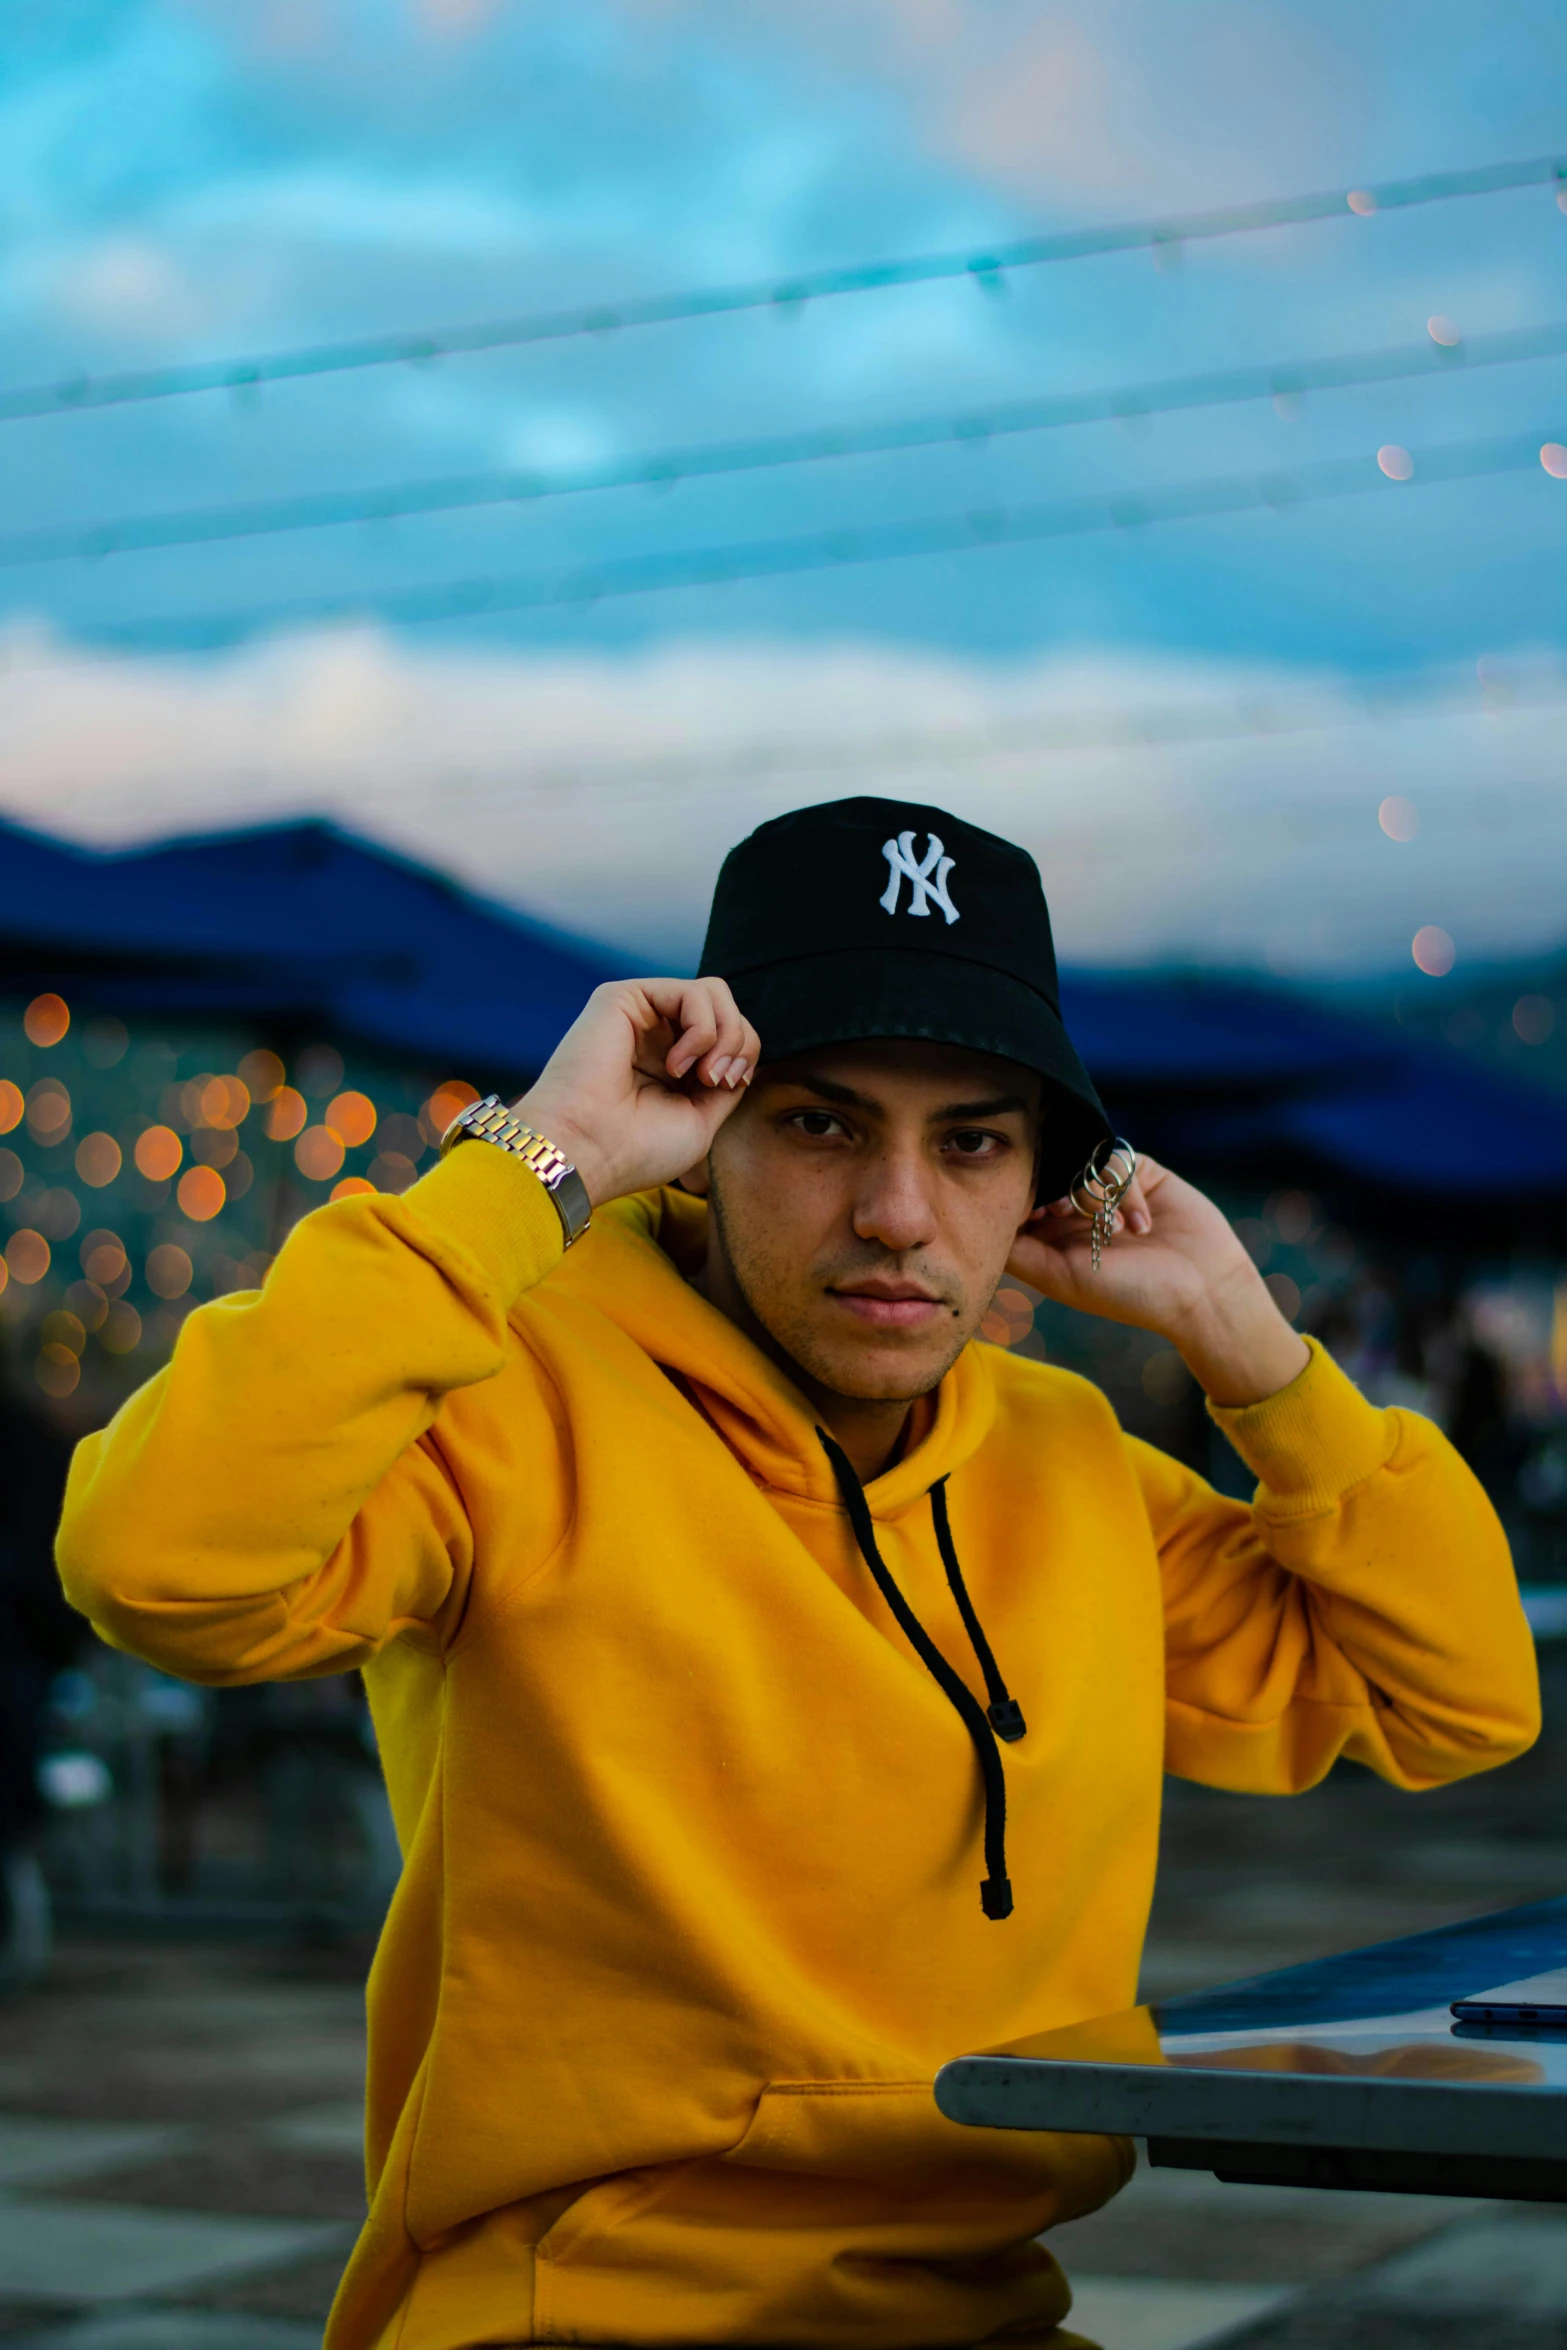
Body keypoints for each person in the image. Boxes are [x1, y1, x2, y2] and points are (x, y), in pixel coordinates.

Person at [57, 798, 1538, 2350]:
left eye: (968, 1141)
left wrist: (1252, 1346)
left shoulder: (1068, 1463)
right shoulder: (506, 1394)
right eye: (821, 1122)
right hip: (576, 2319)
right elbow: (153, 1560)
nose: (898, 1216)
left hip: (987, 2316)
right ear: (702, 1138)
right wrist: (531, 1165)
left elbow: (1456, 1697)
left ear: (1043, 1183)